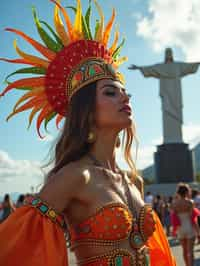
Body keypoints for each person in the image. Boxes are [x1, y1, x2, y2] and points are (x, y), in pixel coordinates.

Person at [0, 1, 176, 265]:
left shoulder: (132, 181)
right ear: (87, 112)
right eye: (110, 92)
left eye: (124, 91)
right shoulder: (75, 176)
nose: (124, 97)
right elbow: (17, 245)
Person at [171, 183, 199, 266]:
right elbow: (193, 219)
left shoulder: (175, 203)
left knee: (184, 250)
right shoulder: (190, 202)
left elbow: (174, 218)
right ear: (187, 192)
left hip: (180, 228)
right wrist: (198, 231)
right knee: (190, 251)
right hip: (189, 227)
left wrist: (174, 230)